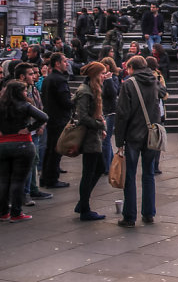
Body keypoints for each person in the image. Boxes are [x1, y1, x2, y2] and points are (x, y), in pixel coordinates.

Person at [116, 55, 161, 227]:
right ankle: (149, 213)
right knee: (149, 173)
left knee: (130, 175)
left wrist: (119, 139)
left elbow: (122, 114)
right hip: (151, 134)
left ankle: (129, 216)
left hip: (133, 134)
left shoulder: (128, 84)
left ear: (131, 68)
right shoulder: (154, 81)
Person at [0, 80, 48, 222]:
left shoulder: (1, 105)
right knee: (18, 180)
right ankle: (16, 212)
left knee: (3, 180)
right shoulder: (25, 105)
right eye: (24, 90)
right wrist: (29, 129)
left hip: (3, 144)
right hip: (22, 144)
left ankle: (3, 212)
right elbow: (44, 117)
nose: (26, 92)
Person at [71, 62, 108, 221]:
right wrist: (100, 124)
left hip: (93, 136)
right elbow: (83, 117)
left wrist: (101, 127)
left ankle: (82, 203)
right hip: (88, 138)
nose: (104, 76)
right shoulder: (85, 92)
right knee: (88, 173)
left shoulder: (92, 89)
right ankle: (84, 209)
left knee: (98, 168)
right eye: (102, 73)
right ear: (94, 75)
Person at [40, 52, 72, 189]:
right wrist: (73, 100)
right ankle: (52, 178)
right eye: (64, 61)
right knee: (56, 149)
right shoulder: (59, 80)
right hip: (59, 118)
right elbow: (65, 101)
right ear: (57, 63)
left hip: (51, 117)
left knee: (50, 149)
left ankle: (45, 177)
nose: (67, 63)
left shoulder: (48, 79)